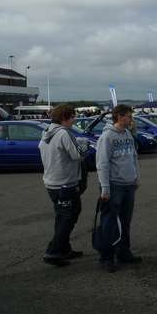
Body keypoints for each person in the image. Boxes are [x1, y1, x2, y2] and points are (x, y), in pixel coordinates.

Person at [39, 104, 86, 267]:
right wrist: (83, 144)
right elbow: (77, 155)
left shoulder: (45, 132)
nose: (74, 120)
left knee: (62, 216)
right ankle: (53, 251)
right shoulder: (64, 134)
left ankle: (65, 248)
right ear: (64, 118)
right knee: (69, 216)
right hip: (65, 183)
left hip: (51, 183)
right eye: (72, 117)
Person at [96, 104, 142, 272]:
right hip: (114, 185)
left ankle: (124, 252)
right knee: (109, 222)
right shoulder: (107, 137)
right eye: (129, 116)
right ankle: (106, 257)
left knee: (125, 221)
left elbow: (133, 156)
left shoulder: (128, 133)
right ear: (120, 116)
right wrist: (105, 188)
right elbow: (102, 163)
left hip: (129, 184)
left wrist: (136, 176)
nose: (131, 119)